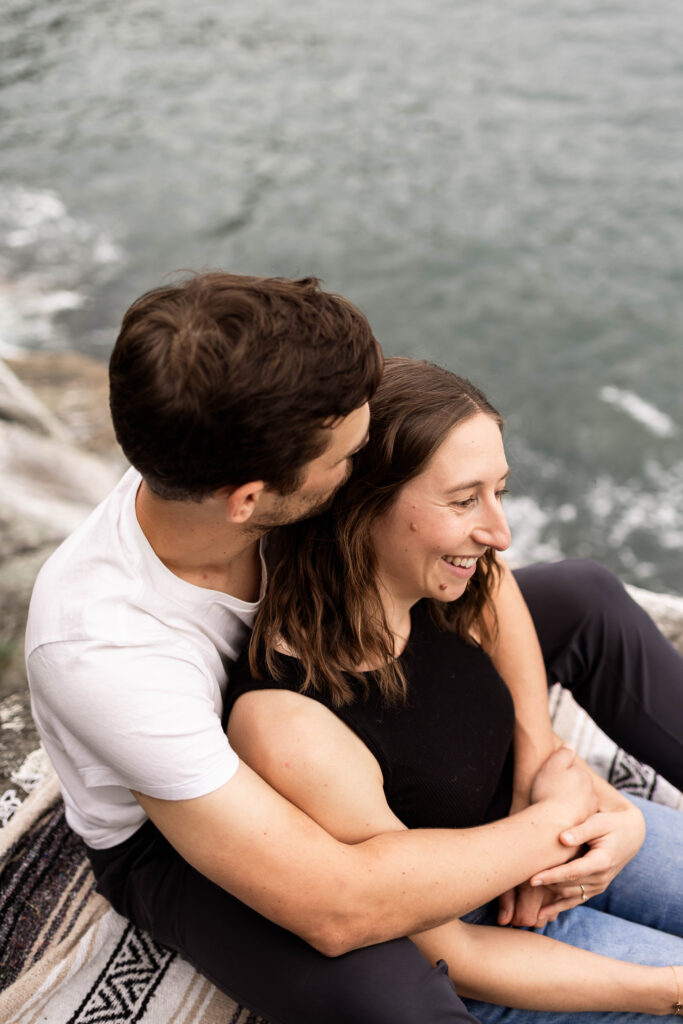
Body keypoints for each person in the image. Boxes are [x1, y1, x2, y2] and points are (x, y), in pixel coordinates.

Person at [24, 273, 681, 1024]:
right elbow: (340, 902)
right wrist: (550, 825)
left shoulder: (257, 453)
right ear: (252, 500)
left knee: (580, 595)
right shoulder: (103, 650)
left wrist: (538, 760)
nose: (362, 458)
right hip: (180, 828)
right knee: (393, 999)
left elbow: (479, 569)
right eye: (347, 456)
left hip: (326, 680)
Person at [225, 356, 683, 1020]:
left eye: (499, 490)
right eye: (465, 500)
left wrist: (555, 774)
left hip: (546, 842)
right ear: (362, 502)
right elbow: (455, 954)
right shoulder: (290, 723)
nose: (499, 534)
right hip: (500, 947)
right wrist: (669, 990)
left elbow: (499, 593)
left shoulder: (447, 580)